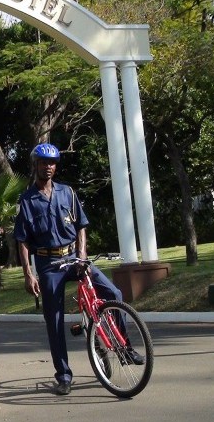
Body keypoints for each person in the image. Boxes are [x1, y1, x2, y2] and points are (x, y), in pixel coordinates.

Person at [13, 143, 144, 396]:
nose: (48, 167)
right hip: (48, 264)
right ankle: (63, 375)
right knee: (55, 321)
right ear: (35, 165)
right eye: (43, 162)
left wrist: (82, 255)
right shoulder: (27, 201)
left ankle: (125, 348)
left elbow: (81, 225)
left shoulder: (67, 193)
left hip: (74, 257)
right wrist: (28, 274)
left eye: (52, 163)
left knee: (114, 293)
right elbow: (23, 241)